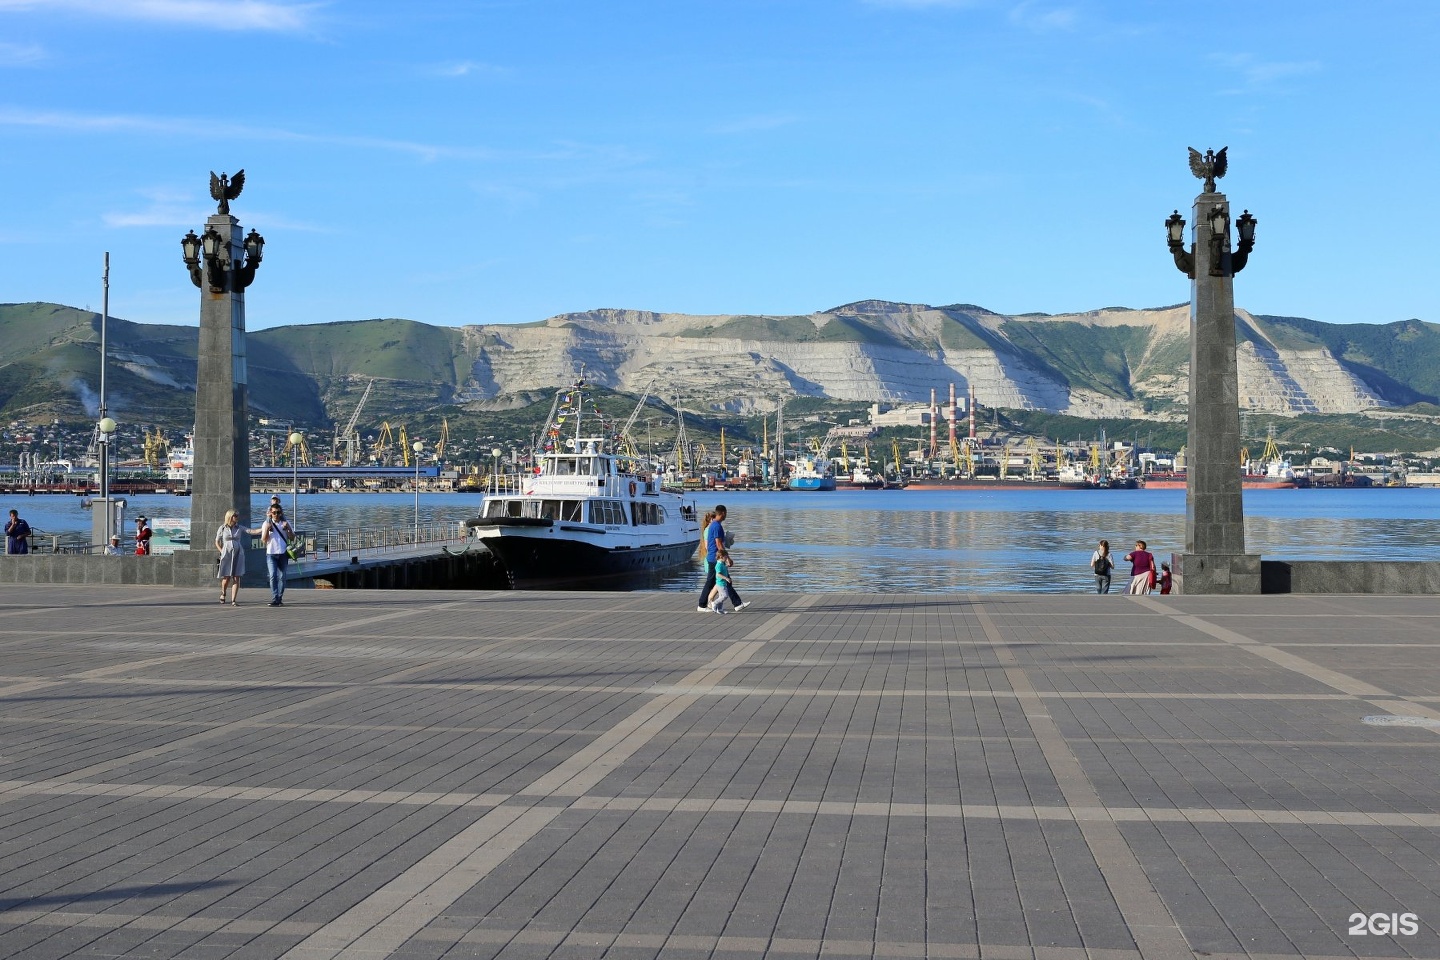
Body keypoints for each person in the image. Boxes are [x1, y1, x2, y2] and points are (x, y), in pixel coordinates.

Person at [696, 504, 748, 612]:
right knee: (714, 582)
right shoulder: (716, 526)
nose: (726, 516)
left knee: (719, 581)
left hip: (713, 557)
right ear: (723, 513)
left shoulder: (714, 525)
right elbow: (718, 544)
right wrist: (727, 558)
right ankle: (702, 605)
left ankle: (737, 603)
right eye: (726, 514)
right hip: (716, 558)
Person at [215, 509, 254, 605]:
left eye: (237, 515)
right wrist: (222, 551)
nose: (237, 517)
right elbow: (217, 541)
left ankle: (233, 600)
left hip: (238, 553)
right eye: (235, 515)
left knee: (237, 577)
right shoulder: (222, 528)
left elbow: (250, 531)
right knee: (227, 577)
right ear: (230, 517)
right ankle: (223, 593)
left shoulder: (239, 527)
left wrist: (264, 529)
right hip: (227, 554)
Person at [260, 504, 295, 606]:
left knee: (282, 577)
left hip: (283, 553)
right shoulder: (266, 524)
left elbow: (292, 538)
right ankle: (275, 598)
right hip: (271, 553)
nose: (276, 515)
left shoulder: (285, 523)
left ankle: (279, 597)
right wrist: (267, 529)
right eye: (274, 512)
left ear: (281, 513)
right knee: (272, 576)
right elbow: (264, 540)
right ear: (270, 513)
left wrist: (287, 528)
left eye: (278, 512)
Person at [708, 548, 736, 613]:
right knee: (725, 596)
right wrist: (726, 578)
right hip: (720, 583)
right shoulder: (719, 565)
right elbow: (718, 574)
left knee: (721, 596)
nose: (726, 559)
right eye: (726, 557)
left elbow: (724, 568)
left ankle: (720, 609)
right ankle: (714, 603)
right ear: (721, 557)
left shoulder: (722, 564)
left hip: (722, 583)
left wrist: (727, 566)